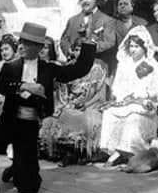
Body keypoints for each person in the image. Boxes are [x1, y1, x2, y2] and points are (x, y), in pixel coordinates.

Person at [0, 22, 96, 193]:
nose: (21, 45)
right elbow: (0, 86)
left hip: (28, 128)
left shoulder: (49, 68)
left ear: (39, 47)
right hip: (8, 122)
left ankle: (18, 167)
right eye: (21, 41)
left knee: (29, 188)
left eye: (28, 43)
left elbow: (79, 69)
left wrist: (88, 41)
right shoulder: (11, 66)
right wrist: (24, 86)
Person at [98, 26, 158, 166]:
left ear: (144, 47)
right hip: (124, 101)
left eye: (136, 46)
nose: (133, 49)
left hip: (144, 103)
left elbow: (157, 89)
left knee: (133, 117)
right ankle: (114, 150)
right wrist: (121, 96)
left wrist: (142, 96)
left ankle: (129, 151)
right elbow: (117, 86)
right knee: (109, 113)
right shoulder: (124, 65)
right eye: (131, 46)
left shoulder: (153, 65)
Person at [39, 37, 108, 166]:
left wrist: (86, 104)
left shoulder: (97, 68)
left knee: (84, 119)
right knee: (61, 115)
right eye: (76, 50)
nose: (78, 53)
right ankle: (63, 152)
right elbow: (63, 90)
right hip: (70, 102)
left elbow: (100, 93)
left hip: (90, 104)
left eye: (81, 50)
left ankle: (79, 153)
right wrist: (68, 103)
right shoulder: (69, 66)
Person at [60, 0, 116, 73]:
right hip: (74, 67)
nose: (85, 1)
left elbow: (109, 42)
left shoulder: (107, 20)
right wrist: (69, 51)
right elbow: (64, 40)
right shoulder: (72, 20)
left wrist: (87, 50)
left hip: (96, 68)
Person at [112, 0, 148, 74]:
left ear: (132, 6)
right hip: (117, 66)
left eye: (125, 4)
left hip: (137, 66)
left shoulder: (142, 23)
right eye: (120, 4)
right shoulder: (112, 23)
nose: (122, 6)